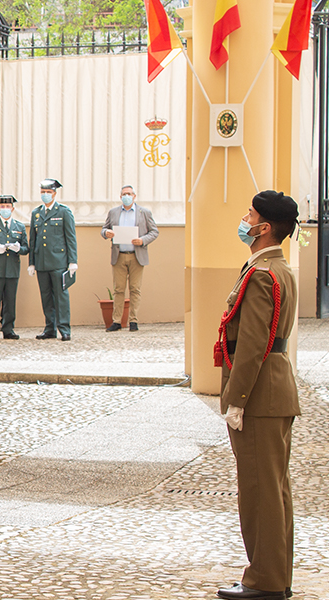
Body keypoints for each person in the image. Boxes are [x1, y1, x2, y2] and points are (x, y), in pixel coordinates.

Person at [215, 191, 301, 600]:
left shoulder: (262, 274)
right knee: (275, 489)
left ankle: (262, 581)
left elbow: (251, 346)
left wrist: (236, 400)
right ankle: (275, 575)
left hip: (259, 394)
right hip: (275, 391)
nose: (244, 218)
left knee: (259, 490)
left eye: (249, 214)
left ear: (264, 227)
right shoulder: (278, 268)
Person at [100, 185, 159, 332]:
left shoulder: (144, 212)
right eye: (124, 194)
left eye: (129, 194)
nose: (127, 196)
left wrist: (143, 240)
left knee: (135, 289)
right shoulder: (114, 212)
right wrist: (106, 232)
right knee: (118, 289)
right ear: (120, 197)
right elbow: (104, 229)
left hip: (136, 256)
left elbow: (154, 231)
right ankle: (117, 321)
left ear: (134, 196)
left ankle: (133, 320)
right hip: (119, 255)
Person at [27, 178, 77, 341]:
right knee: (46, 296)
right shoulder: (36, 213)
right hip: (42, 262)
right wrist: (32, 262)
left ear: (54, 194)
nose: (45, 195)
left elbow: (70, 238)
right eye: (43, 192)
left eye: (48, 192)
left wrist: (72, 261)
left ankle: (64, 328)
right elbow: (33, 240)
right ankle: (49, 328)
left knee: (61, 296)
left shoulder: (63, 212)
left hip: (59, 262)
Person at [0, 195, 28, 342]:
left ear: (13, 208)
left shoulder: (19, 226)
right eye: (2, 207)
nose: (5, 209)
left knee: (10, 301)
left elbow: (25, 248)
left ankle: (8, 329)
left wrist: (18, 248)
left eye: (8, 207)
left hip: (12, 269)